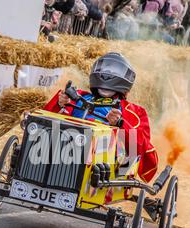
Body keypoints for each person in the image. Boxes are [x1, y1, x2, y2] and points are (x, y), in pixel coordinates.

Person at [43, 52, 159, 182]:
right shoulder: (76, 96)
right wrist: (59, 104)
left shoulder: (135, 112)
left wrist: (120, 124)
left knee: (127, 146)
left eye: (113, 71)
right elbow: (45, 122)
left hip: (107, 165)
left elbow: (140, 149)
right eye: (105, 70)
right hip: (64, 150)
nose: (108, 74)